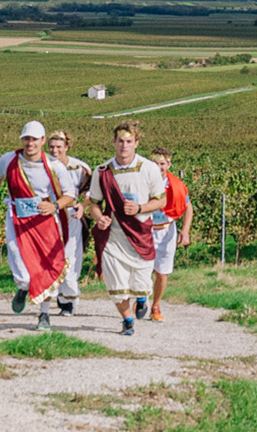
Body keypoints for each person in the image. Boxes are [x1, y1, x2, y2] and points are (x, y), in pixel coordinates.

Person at [0, 121, 77, 331]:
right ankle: (23, 288)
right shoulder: (9, 160)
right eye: (26, 139)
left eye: (34, 139)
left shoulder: (54, 166)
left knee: (47, 267)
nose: (30, 143)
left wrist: (54, 206)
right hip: (17, 218)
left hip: (46, 222)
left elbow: (70, 194)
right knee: (20, 265)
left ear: (42, 141)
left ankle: (44, 315)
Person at [83, 120, 167, 336]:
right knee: (116, 283)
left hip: (140, 236)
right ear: (114, 142)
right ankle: (127, 320)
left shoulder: (148, 168)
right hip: (114, 236)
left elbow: (160, 201)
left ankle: (141, 299)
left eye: (129, 141)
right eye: (120, 141)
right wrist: (99, 218)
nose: (124, 146)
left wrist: (140, 207)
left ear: (136, 143)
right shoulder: (102, 171)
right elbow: (94, 203)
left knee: (141, 283)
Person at [47, 130, 94, 316]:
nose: (55, 150)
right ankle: (58, 294)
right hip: (50, 215)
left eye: (59, 147)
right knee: (51, 256)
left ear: (67, 147)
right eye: (51, 146)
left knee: (71, 256)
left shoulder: (79, 168)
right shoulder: (43, 166)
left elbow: (90, 191)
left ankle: (69, 298)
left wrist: (82, 206)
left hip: (71, 214)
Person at [144, 147, 193, 322]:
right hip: (146, 230)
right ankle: (142, 298)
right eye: (155, 163)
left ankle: (155, 305)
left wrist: (185, 231)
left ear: (169, 164)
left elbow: (188, 207)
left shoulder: (177, 185)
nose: (158, 167)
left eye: (162, 164)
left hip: (166, 231)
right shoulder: (143, 182)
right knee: (142, 269)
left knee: (161, 272)